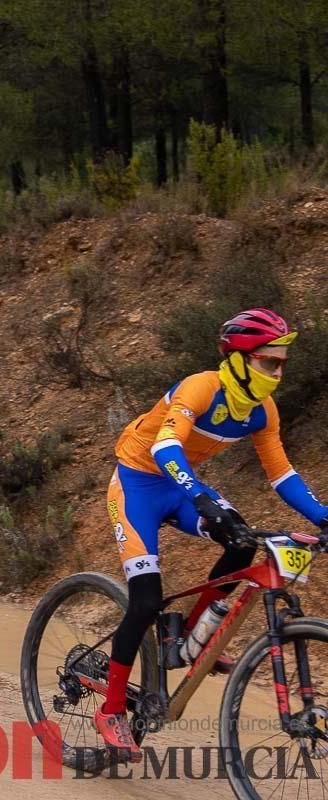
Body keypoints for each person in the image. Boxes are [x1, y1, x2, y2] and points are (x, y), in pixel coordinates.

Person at [97, 308, 328, 762]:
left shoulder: (261, 411)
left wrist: (323, 516)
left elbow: (281, 476)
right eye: (269, 361)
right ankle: (110, 710)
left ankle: (192, 639)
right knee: (145, 599)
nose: (278, 372)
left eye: (281, 363)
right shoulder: (202, 386)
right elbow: (166, 447)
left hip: (181, 487)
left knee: (242, 542)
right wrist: (201, 498)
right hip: (137, 485)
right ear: (240, 359)